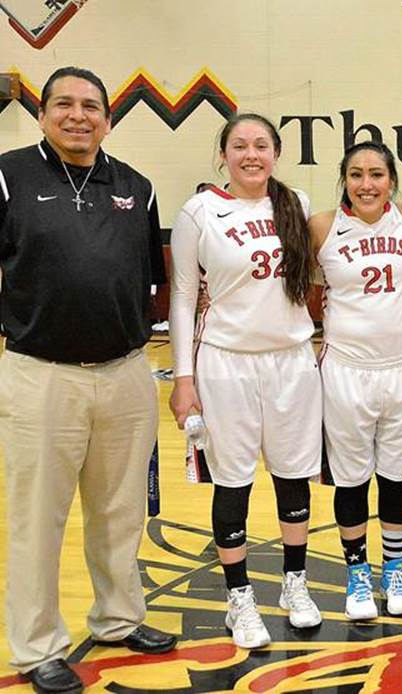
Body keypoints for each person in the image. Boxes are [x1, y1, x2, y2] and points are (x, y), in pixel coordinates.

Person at [0, 66, 176, 694]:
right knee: (37, 518)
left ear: (108, 116)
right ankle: (37, 645)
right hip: (40, 375)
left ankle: (119, 618)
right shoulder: (8, 174)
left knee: (120, 511)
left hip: (126, 372)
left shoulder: (136, 185)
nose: (79, 116)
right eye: (65, 105)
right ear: (43, 113)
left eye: (92, 106)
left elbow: (149, 280)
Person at [169, 113, 323, 650]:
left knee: (292, 473)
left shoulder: (296, 205)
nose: (251, 154)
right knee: (232, 480)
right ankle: (239, 599)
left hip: (291, 361)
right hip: (226, 363)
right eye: (240, 145)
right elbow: (184, 297)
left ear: (276, 153)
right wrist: (183, 377)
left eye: (261, 145)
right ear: (224, 154)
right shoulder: (199, 211)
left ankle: (294, 585)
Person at [310, 142, 402, 621]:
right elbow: (307, 294)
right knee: (352, 477)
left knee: (396, 477)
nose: (366, 184)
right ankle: (357, 573)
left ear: (391, 180)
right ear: (344, 180)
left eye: (376, 174)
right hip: (346, 370)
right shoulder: (322, 225)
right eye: (356, 174)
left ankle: (394, 569)